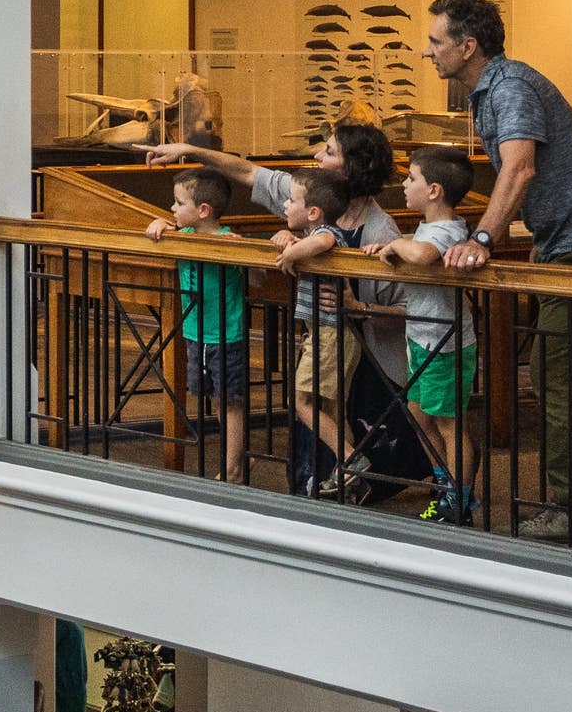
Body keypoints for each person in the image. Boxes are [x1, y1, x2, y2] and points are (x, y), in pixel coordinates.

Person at [425, 0, 572, 541]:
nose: (427, 51)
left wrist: (482, 239)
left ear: (467, 45)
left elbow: (519, 169)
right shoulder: (492, 89)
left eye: (435, 41)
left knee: (559, 375)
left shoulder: (511, 87)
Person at [146, 121, 404, 493]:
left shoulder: (380, 231)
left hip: (367, 352)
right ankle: (343, 475)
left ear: (351, 169)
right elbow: (249, 172)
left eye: (329, 152)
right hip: (323, 332)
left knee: (317, 406)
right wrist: (190, 149)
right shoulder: (307, 192)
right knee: (319, 412)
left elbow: (405, 312)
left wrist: (357, 305)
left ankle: (354, 467)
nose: (317, 155)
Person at [374, 146, 482, 524]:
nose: (405, 184)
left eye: (412, 178)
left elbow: (421, 255)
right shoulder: (427, 228)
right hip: (421, 338)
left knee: (449, 424)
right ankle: (444, 483)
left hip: (445, 344)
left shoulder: (449, 229)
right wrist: (390, 247)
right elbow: (415, 250)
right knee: (421, 418)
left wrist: (397, 244)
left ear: (434, 190)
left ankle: (459, 499)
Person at [145, 168, 251, 483]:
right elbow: (156, 231)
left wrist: (240, 254)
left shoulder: (227, 240)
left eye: (179, 203)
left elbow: (258, 277)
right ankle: (237, 460)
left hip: (225, 334)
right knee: (217, 399)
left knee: (230, 401)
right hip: (196, 333)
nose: (173, 209)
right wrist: (158, 224)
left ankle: (233, 469)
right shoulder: (182, 235)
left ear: (203, 210)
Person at [269, 169, 363, 488]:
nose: (285, 204)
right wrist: (292, 240)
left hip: (329, 334)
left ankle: (351, 458)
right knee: (335, 411)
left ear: (313, 211)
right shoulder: (313, 233)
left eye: (292, 200)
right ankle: (349, 471)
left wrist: (292, 252)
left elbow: (324, 241)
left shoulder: (327, 233)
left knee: (303, 403)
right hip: (329, 334)